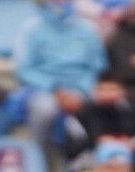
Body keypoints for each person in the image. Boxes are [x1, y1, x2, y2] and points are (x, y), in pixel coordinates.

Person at [14, 0, 107, 160]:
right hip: (45, 89)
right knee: (45, 109)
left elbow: (96, 67)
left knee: (104, 103)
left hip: (80, 89)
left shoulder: (87, 29)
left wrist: (80, 91)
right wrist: (56, 89)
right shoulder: (32, 28)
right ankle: (40, 157)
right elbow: (24, 70)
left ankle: (91, 162)